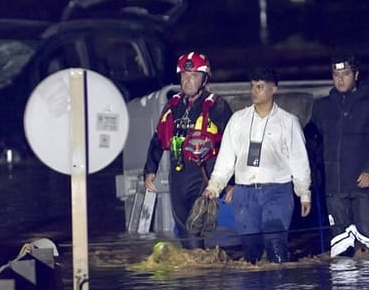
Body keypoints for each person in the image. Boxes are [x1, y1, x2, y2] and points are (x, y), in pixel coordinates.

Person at [202, 67, 312, 263]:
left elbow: (299, 160)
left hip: (277, 191)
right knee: (250, 250)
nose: (254, 91)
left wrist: (304, 193)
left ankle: (280, 288)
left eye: (260, 87)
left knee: (275, 243)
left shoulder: (288, 122)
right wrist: (214, 186)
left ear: (273, 89)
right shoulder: (238, 120)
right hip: (245, 194)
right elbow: (226, 158)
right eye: (253, 86)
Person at [143, 51, 233, 248]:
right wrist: (150, 170)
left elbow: (232, 144)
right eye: (184, 75)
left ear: (204, 78)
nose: (188, 80)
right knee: (184, 233)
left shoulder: (216, 106)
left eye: (194, 75)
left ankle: (202, 275)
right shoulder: (173, 105)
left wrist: (229, 182)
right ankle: (196, 272)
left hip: (202, 176)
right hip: (178, 175)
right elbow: (159, 138)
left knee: (194, 231)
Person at [308, 53, 369, 256]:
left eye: (345, 74)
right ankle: (344, 288)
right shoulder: (322, 107)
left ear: (356, 75)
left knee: (366, 249)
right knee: (341, 252)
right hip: (334, 190)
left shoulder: (366, 104)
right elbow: (311, 140)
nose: (340, 79)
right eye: (336, 74)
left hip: (363, 190)